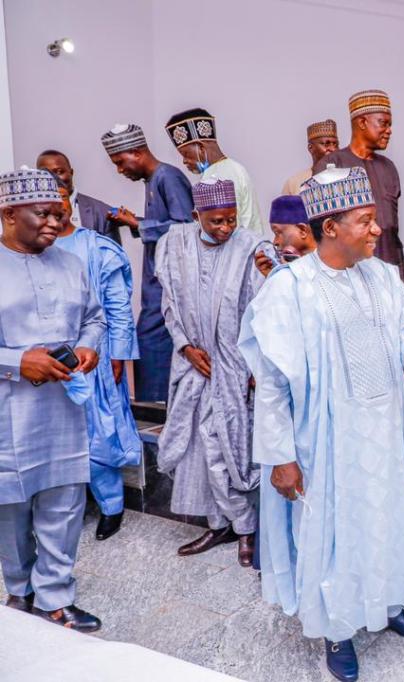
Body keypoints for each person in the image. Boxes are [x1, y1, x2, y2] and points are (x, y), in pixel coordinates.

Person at [239, 165, 404, 682]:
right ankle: (338, 628)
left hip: (384, 429)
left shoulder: (382, 275)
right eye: (365, 221)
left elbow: (395, 330)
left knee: (388, 514)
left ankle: (389, 602)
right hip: (327, 438)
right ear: (330, 227)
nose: (377, 229)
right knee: (332, 530)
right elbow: (272, 383)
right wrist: (280, 456)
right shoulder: (290, 289)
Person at [0, 168, 105, 631]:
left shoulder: (71, 264)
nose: (55, 223)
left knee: (64, 504)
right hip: (9, 413)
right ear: (9, 214)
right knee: (10, 507)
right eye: (43, 214)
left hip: (64, 409)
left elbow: (95, 318)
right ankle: (19, 590)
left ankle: (55, 598)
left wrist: (88, 346)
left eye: (59, 214)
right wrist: (15, 362)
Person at [155, 178, 262, 567]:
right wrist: (185, 347)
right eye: (216, 220)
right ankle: (221, 524)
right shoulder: (176, 244)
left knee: (229, 447)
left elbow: (263, 309)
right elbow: (170, 304)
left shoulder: (251, 247)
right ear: (196, 215)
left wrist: (257, 364)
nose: (226, 228)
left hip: (234, 366)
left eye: (231, 219)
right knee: (202, 449)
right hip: (194, 363)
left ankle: (246, 527)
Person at [53, 185, 142, 542]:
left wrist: (118, 353)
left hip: (94, 358)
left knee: (99, 434)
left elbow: (118, 306)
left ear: (69, 202)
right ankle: (66, 509)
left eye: (59, 199)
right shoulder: (25, 253)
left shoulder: (97, 248)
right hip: (47, 364)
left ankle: (111, 506)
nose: (52, 209)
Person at [101, 122, 194, 402]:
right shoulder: (153, 181)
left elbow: (186, 229)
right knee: (149, 348)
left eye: (120, 162)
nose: (120, 170)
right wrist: (136, 222)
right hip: (156, 287)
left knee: (151, 346)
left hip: (168, 289)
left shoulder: (168, 176)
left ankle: (157, 417)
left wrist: (138, 225)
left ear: (138, 152)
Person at [314, 90, 404, 282]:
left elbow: (391, 229)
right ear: (363, 122)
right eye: (383, 123)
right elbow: (322, 233)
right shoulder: (332, 165)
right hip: (348, 275)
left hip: (390, 270)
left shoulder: (389, 168)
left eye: (390, 125)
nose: (389, 130)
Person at [164, 108, 268, 235]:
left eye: (185, 154)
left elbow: (223, 230)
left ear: (201, 148)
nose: (184, 161)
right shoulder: (234, 167)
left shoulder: (217, 177)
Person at [36, 150, 119, 245]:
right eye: (45, 174)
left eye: (59, 172)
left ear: (71, 173)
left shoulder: (102, 212)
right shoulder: (30, 214)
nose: (52, 178)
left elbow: (112, 250)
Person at [254, 194, 318, 277]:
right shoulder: (297, 266)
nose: (275, 242)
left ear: (302, 230)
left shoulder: (328, 265)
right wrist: (272, 276)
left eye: (278, 233)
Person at [281, 119, 339, 196]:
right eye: (326, 144)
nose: (333, 149)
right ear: (310, 148)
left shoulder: (349, 178)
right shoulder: (294, 183)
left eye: (335, 144)